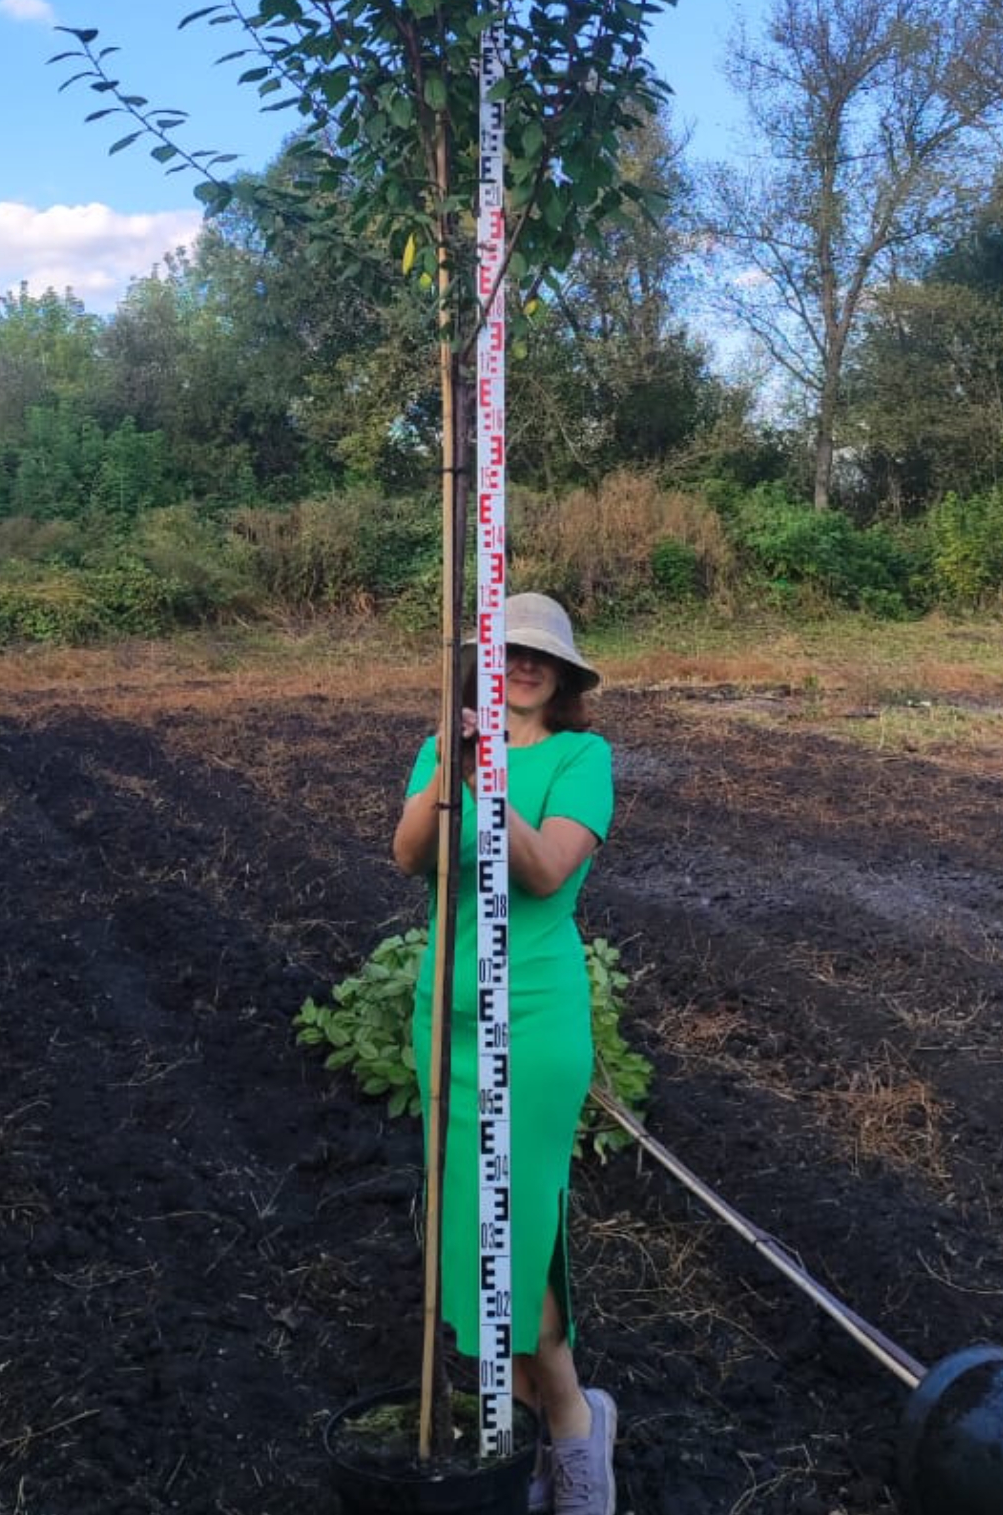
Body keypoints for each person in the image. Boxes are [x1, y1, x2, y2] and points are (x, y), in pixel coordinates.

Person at [392, 592, 617, 1515]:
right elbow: (409, 855)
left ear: (562, 676)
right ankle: (516, 1411)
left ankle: (571, 1425)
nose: (522, 666)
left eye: (539, 657)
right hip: (443, 1020)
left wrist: (487, 783)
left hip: (536, 1019)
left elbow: (543, 870)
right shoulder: (442, 744)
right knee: (462, 1224)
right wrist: (452, 760)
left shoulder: (581, 759)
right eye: (507, 652)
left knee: (518, 1232)